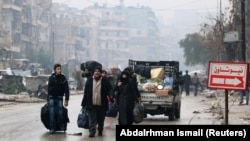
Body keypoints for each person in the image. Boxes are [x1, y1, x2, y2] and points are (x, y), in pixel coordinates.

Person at [81, 66, 111, 137]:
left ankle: (100, 130)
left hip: (101, 104)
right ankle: (92, 132)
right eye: (95, 71)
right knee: (92, 119)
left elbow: (109, 90)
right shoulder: (89, 80)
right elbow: (86, 93)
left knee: (101, 120)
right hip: (91, 104)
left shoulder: (105, 81)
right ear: (93, 73)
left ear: (100, 73)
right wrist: (84, 103)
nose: (96, 72)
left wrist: (111, 96)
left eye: (98, 71)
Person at [47, 63, 70, 134]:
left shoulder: (63, 78)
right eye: (58, 69)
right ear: (55, 70)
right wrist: (47, 99)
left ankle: (61, 125)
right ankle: (52, 128)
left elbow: (66, 89)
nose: (59, 70)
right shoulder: (51, 78)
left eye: (60, 69)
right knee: (52, 113)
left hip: (59, 98)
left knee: (60, 113)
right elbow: (48, 89)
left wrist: (66, 99)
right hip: (51, 98)